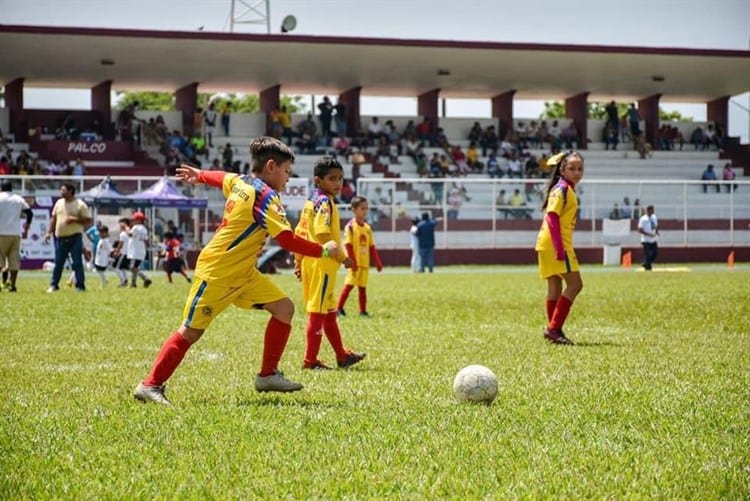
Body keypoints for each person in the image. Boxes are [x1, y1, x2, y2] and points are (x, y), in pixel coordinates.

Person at [134, 137, 341, 405]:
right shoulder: (266, 197)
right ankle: (150, 385)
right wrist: (324, 251)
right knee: (191, 332)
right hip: (218, 272)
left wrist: (201, 175)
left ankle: (267, 375)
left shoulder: (243, 181)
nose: (288, 178)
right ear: (270, 166)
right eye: (286, 171)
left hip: (243, 272)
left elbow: (223, 178)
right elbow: (287, 240)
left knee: (284, 308)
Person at [293, 156, 366, 371]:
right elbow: (323, 233)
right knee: (317, 312)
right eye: (332, 178)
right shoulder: (325, 202)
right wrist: (343, 257)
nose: (338, 183)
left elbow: (301, 232)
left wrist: (298, 262)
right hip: (321, 263)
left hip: (311, 261)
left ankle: (342, 356)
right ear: (318, 180)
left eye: (340, 178)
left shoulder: (311, 202)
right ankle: (310, 361)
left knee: (329, 312)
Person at [534, 151, 585, 345]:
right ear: (562, 170)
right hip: (555, 243)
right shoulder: (562, 189)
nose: (577, 172)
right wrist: (559, 247)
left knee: (555, 286)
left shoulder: (564, 189)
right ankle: (553, 328)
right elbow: (552, 217)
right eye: (572, 168)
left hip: (545, 243)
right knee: (575, 284)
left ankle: (554, 330)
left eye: (580, 168)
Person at [336, 196, 384, 317]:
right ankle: (338, 308)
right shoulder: (351, 227)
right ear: (353, 210)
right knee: (349, 286)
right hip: (354, 265)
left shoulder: (367, 228)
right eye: (362, 208)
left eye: (366, 208)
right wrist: (353, 262)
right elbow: (348, 245)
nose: (365, 211)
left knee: (362, 288)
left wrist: (377, 262)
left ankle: (362, 311)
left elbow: (371, 247)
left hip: (364, 264)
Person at [45, 183, 92, 293]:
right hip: (60, 238)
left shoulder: (80, 204)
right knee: (58, 263)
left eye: (63, 190)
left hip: (75, 237)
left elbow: (88, 220)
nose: (61, 192)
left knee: (77, 263)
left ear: (70, 191)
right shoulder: (58, 203)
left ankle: (80, 286)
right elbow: (54, 219)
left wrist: (74, 220)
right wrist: (49, 232)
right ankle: (53, 285)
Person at [0, 180, 33, 292]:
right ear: (11, 188)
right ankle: (13, 286)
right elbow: (29, 212)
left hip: (0, 233)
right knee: (14, 260)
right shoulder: (18, 199)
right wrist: (26, 228)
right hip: (14, 233)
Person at [126, 211, 153, 288]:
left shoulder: (135, 227)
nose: (133, 221)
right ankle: (133, 283)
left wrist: (127, 229)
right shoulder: (144, 229)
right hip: (141, 251)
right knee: (135, 267)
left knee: (132, 268)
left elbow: (130, 234)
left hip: (135, 251)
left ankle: (145, 278)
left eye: (134, 220)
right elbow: (146, 240)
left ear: (139, 220)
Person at [638, 205, 659, 271]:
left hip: (653, 239)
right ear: (648, 210)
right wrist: (649, 234)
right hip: (645, 240)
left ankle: (646, 263)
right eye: (652, 210)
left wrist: (657, 231)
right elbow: (640, 230)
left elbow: (655, 226)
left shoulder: (654, 217)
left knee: (655, 253)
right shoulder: (643, 219)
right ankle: (648, 268)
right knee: (648, 254)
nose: (653, 211)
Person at [112, 217, 131, 287]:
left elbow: (121, 244)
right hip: (128, 253)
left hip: (123, 253)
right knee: (123, 268)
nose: (119, 225)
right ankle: (125, 281)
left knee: (115, 267)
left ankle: (123, 280)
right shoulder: (129, 233)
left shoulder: (123, 233)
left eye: (120, 224)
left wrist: (117, 251)